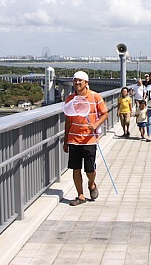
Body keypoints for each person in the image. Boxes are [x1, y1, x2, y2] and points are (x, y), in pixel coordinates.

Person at [63, 71, 109, 206]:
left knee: (90, 170)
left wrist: (95, 124)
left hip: (89, 139)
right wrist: (66, 140)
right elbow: (68, 121)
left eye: (80, 81)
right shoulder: (70, 99)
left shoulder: (95, 97)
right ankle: (80, 196)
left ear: (86, 83)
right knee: (75, 169)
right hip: (73, 139)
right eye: (75, 80)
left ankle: (91, 184)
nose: (77, 83)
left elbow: (105, 113)